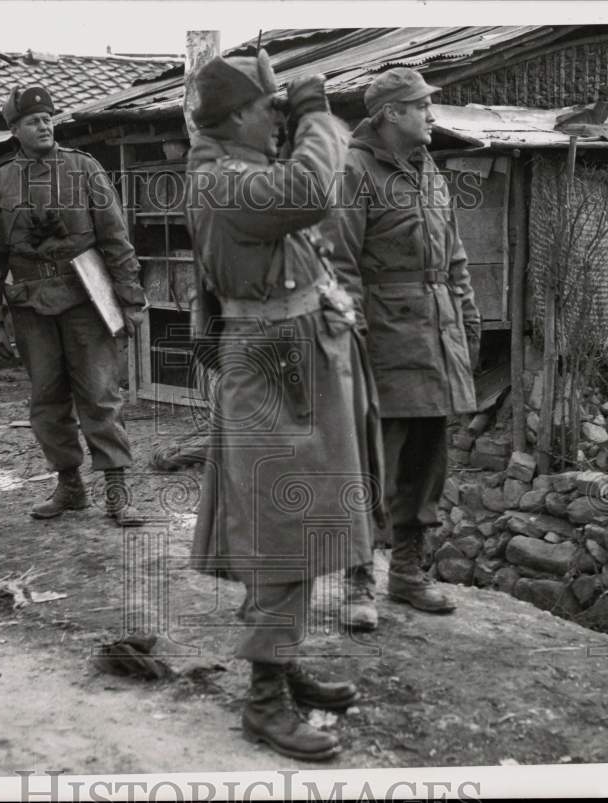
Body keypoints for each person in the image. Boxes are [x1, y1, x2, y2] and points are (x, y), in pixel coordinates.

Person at [187, 51, 384, 762]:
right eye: (266, 109)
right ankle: (264, 700)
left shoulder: (240, 170)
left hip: (292, 358)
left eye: (280, 110)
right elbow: (313, 187)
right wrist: (314, 111)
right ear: (237, 115)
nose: (276, 120)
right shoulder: (222, 179)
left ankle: (282, 659)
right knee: (282, 531)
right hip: (274, 366)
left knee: (303, 523)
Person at [322, 67, 482, 629]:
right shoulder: (352, 171)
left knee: (425, 460)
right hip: (384, 341)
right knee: (371, 463)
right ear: (391, 113)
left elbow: (454, 256)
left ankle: (409, 574)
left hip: (436, 338)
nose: (431, 114)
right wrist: (353, 338)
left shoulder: (428, 169)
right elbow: (338, 265)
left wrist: (467, 317)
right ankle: (358, 582)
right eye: (421, 106)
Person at [0, 86, 146, 525]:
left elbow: (116, 239)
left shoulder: (84, 168)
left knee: (100, 395)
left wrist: (130, 299)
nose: (44, 125)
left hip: (85, 298)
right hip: (31, 306)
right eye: (33, 121)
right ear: (14, 130)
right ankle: (70, 486)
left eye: (48, 118)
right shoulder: (0, 182)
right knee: (47, 399)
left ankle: (116, 490)